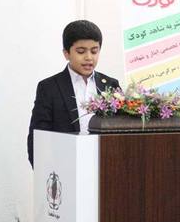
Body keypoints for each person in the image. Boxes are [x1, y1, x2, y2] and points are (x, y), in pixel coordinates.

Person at [27, 20, 120, 167]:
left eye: (94, 51)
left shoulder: (110, 85)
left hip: (105, 165)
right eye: (81, 51)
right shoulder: (49, 87)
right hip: (65, 166)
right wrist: (43, 171)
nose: (89, 57)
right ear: (66, 53)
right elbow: (38, 137)